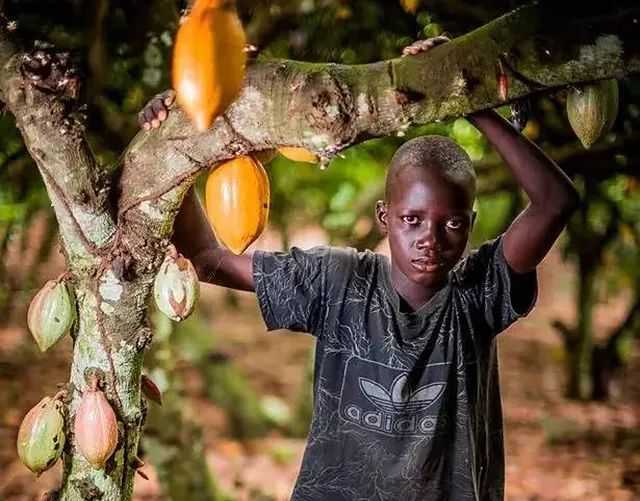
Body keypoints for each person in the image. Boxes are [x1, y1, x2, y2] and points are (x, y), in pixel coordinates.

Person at [139, 44, 578, 501]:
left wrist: (473, 104)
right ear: (385, 216)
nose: (430, 238)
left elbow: (556, 203)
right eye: (412, 220)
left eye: (450, 223)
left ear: (470, 224)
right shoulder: (338, 282)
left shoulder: (478, 296)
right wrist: (177, 141)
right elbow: (208, 257)